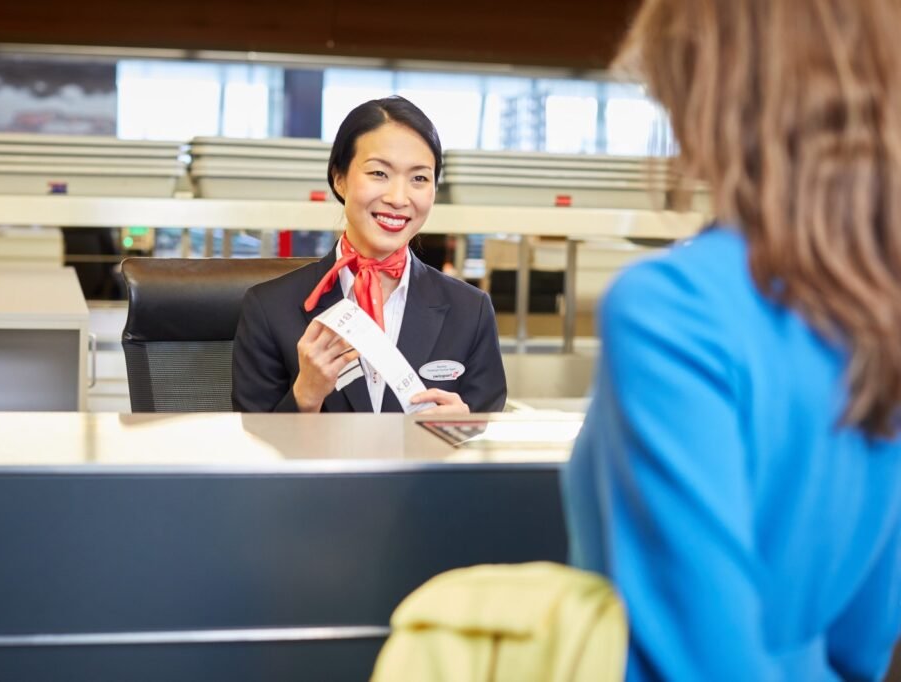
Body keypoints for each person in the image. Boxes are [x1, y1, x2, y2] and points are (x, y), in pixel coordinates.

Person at [565, 0, 901, 679]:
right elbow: (864, 641)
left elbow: (696, 660)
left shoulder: (671, 310)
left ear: (705, 87)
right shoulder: (878, 309)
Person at [232, 96, 506, 414]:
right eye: (379, 173)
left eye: (419, 178)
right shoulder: (269, 308)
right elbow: (252, 450)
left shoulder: (470, 311)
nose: (398, 198)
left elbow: (488, 439)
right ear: (339, 178)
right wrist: (305, 397)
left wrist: (467, 433)